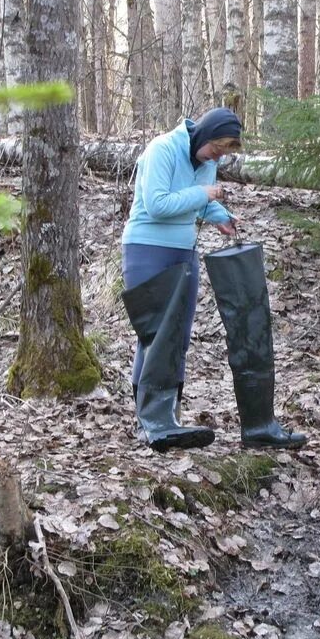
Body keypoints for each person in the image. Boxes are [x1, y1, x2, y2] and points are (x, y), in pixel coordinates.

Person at [121, 107, 242, 450]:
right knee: (155, 332)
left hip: (184, 250)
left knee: (177, 336)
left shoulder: (206, 162)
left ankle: (163, 417)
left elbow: (197, 201)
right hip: (147, 248)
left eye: (222, 153)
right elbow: (157, 204)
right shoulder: (162, 149)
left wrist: (219, 214)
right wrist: (205, 195)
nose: (216, 157)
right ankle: (153, 420)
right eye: (215, 149)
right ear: (204, 135)